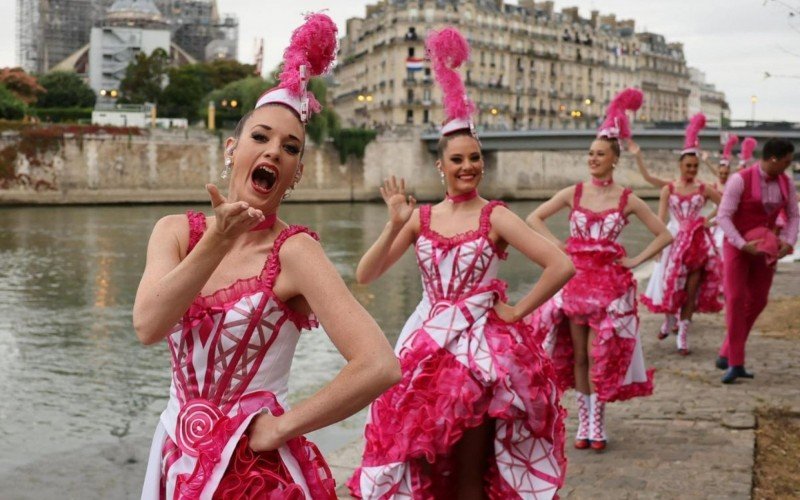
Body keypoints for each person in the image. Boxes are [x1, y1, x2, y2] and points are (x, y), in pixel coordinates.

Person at [135, 15, 401, 499]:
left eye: (290, 148)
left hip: (255, 477)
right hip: (175, 460)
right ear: (232, 149)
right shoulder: (174, 232)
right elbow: (148, 325)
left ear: (296, 172)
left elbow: (380, 364)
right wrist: (217, 238)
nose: (274, 152)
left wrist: (282, 428)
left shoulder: (296, 252)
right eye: (260, 138)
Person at [347, 28, 574, 498]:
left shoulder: (497, 216)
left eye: (475, 158)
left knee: (470, 469)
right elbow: (365, 274)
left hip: (481, 352)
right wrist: (394, 223)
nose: (468, 166)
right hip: (425, 342)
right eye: (458, 159)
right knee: (422, 457)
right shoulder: (421, 219)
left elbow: (560, 265)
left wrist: (517, 311)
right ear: (440, 165)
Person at [527, 88, 673, 451]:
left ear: (613, 159)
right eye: (590, 154)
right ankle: (583, 424)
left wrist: (637, 260)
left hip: (609, 289)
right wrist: (559, 248)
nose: (593, 159)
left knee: (599, 355)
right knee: (577, 355)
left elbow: (664, 234)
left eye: (599, 154)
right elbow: (534, 217)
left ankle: (599, 422)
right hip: (575, 283)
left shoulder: (627, 199)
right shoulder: (573, 192)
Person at [716, 138, 798, 383]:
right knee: (736, 298)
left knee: (759, 300)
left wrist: (789, 241)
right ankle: (735, 362)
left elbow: (794, 215)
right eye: (787, 161)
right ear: (774, 159)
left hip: (765, 248)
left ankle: (727, 350)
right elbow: (723, 216)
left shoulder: (787, 182)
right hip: (737, 246)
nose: (789, 165)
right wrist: (741, 244)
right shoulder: (739, 180)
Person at [640, 114, 723, 354]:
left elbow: (727, 202)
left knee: (691, 290)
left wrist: (708, 220)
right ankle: (669, 320)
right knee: (671, 286)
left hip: (697, 243)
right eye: (688, 166)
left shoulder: (703, 188)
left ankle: (682, 336)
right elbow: (659, 220)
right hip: (674, 242)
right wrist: (657, 248)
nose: (692, 170)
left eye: (695, 166)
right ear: (680, 165)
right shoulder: (669, 189)